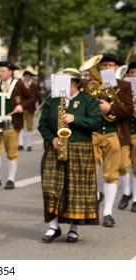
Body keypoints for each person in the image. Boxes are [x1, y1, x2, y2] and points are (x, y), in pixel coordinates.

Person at [38, 68, 101, 243]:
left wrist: (76, 119)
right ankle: (53, 226)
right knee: (50, 187)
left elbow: (96, 122)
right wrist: (52, 139)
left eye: (66, 82)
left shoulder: (87, 100)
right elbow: (42, 125)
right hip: (56, 148)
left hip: (80, 147)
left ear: (75, 83)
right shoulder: (52, 100)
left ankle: (74, 229)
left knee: (75, 190)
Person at [86, 53, 133, 227]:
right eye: (103, 66)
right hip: (94, 133)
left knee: (111, 174)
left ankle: (107, 213)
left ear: (116, 68)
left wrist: (110, 107)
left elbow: (129, 111)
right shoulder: (92, 86)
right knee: (88, 171)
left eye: (109, 66)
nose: (106, 69)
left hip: (115, 133)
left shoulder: (124, 86)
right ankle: (97, 196)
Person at [0, 61, 36, 190]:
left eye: (3, 71)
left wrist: (22, 106)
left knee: (11, 152)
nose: (0, 73)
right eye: (0, 71)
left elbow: (32, 97)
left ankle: (11, 179)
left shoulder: (18, 84)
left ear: (10, 72)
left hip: (12, 123)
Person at [118, 61, 136, 212]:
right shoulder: (122, 89)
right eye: (131, 72)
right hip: (124, 131)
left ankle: (135, 198)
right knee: (122, 165)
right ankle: (126, 192)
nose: (133, 75)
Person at [18, 70, 41, 151]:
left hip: (30, 108)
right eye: (25, 76)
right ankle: (20, 143)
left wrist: (38, 107)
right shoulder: (20, 84)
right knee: (20, 125)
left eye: (28, 76)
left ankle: (29, 144)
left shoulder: (34, 85)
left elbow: (37, 97)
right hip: (21, 107)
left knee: (29, 126)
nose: (27, 78)